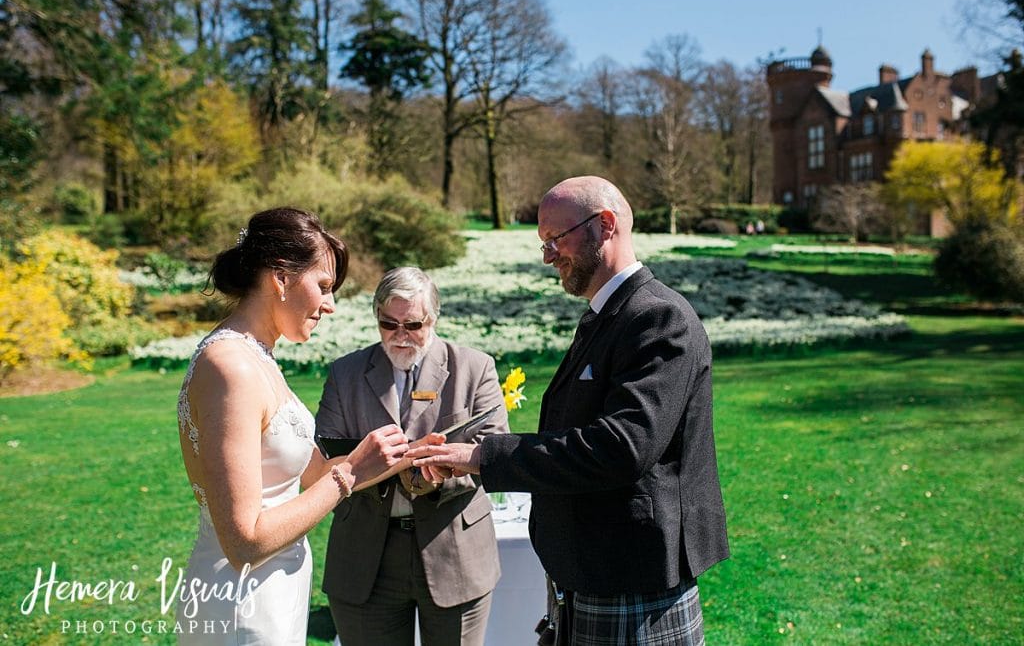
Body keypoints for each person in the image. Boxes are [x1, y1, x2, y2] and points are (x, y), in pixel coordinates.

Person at [409, 176, 730, 645]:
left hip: (630, 583)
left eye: (555, 239)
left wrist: (482, 457)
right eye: (544, 243)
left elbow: (622, 447)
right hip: (590, 575)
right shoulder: (607, 316)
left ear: (605, 225)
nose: (547, 255)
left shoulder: (658, 318)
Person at [175, 207, 410, 645]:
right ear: (280, 278)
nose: (331, 305)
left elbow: (312, 475)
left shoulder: (259, 356)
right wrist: (351, 473)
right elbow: (244, 540)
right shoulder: (231, 368)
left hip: (274, 595)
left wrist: (403, 455)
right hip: (241, 602)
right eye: (323, 286)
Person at [316, 267, 509, 646]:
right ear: (376, 318)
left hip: (454, 548)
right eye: (389, 324)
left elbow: (492, 450)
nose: (401, 336)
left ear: (433, 319)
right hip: (366, 554)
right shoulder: (346, 373)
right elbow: (325, 455)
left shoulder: (474, 367)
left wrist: (438, 472)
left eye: (413, 324)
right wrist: (391, 465)